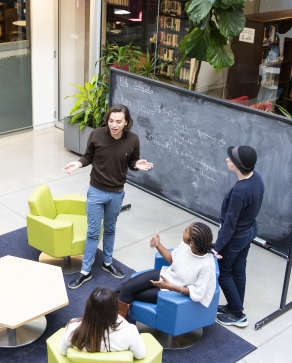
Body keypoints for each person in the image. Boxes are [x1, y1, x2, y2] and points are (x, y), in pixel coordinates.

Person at [62, 105, 154, 289]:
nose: (114, 125)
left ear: (126, 122)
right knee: (93, 232)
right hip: (96, 191)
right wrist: (78, 164)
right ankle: (85, 271)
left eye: (118, 121)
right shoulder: (96, 134)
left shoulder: (133, 140)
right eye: (111, 121)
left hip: (117, 193)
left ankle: (107, 262)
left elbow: (131, 163)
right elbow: (88, 157)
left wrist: (137, 164)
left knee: (110, 229)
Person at [116, 222, 216, 320]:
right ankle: (110, 314)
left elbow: (198, 293)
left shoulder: (207, 265)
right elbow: (173, 259)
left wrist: (171, 287)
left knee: (127, 292)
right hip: (167, 275)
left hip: (174, 291)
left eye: (186, 231)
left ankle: (117, 325)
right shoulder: (186, 245)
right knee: (125, 287)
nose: (183, 232)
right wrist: (157, 244)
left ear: (192, 243)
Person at [214, 146, 264, 328]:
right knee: (239, 270)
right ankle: (234, 306)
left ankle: (238, 315)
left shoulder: (240, 192)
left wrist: (217, 247)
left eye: (231, 159)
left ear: (238, 165)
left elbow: (229, 223)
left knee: (223, 272)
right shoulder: (256, 178)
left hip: (236, 236)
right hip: (249, 231)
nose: (227, 160)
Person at [59, 286, 146, 359]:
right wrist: (122, 320)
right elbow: (140, 355)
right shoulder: (129, 331)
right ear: (115, 309)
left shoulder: (73, 327)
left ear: (88, 308)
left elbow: (63, 351)